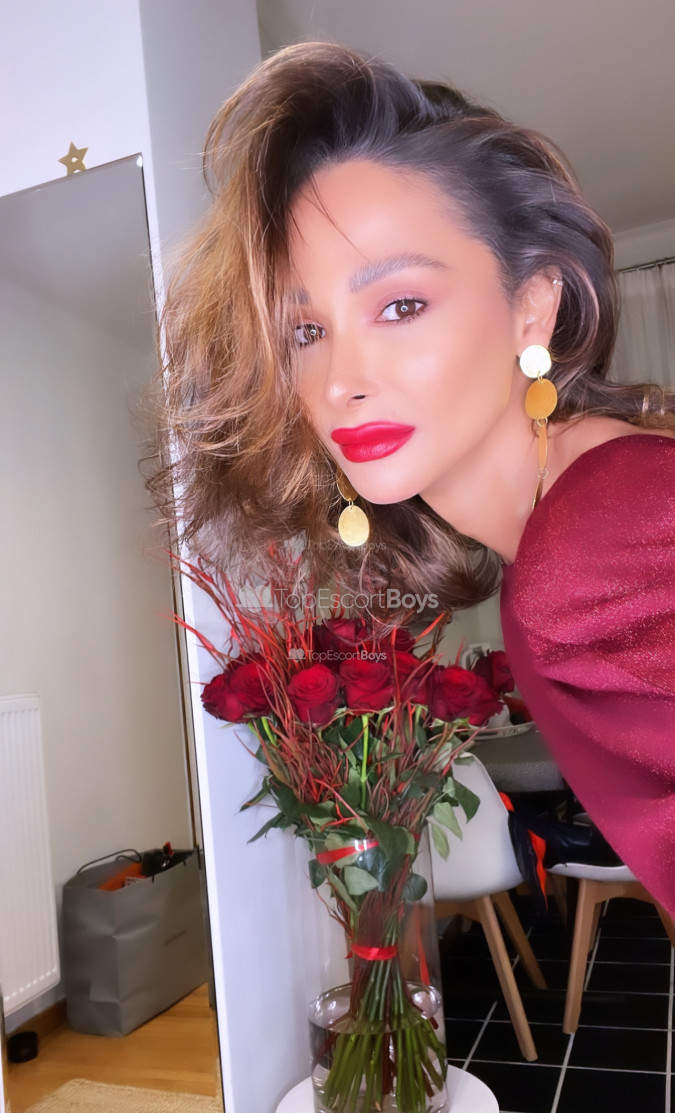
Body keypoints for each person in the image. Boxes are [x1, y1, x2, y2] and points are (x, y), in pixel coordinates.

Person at [155, 43, 675, 916]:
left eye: (399, 305)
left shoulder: (598, 548)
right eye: (304, 332)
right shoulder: (575, 518)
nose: (339, 381)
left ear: (533, 305)